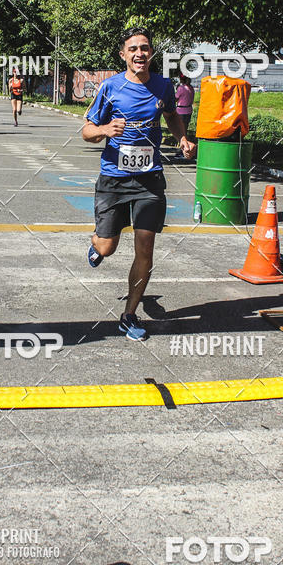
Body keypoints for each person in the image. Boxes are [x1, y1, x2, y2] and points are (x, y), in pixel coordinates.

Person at [82, 26, 196, 340]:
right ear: (123, 55)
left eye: (144, 48)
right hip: (114, 180)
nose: (139, 53)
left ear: (151, 53)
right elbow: (87, 131)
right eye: (133, 49)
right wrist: (104, 129)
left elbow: (171, 115)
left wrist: (182, 138)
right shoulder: (110, 87)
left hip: (149, 180)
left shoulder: (164, 86)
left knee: (145, 247)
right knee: (107, 246)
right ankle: (97, 245)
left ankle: (129, 315)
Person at [175, 72, 195, 155]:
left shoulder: (181, 88)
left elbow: (175, 98)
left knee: (180, 131)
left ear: (181, 79)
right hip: (188, 110)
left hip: (181, 111)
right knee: (185, 130)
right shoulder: (191, 88)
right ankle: (185, 148)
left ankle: (182, 149)